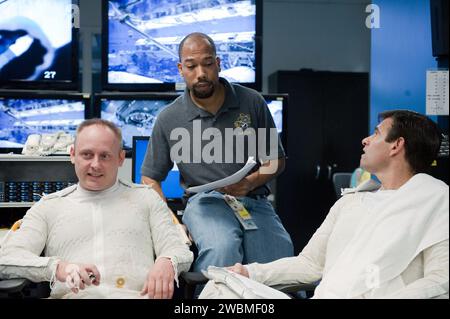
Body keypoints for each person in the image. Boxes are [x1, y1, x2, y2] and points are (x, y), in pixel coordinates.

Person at [200, 110, 449, 299]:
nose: (365, 139)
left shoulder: (434, 200)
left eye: (376, 133)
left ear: (397, 145)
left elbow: (441, 279)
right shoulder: (351, 201)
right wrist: (249, 273)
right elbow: (310, 264)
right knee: (220, 288)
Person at [141, 32, 293, 273]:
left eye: (208, 64)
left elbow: (275, 161)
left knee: (278, 261)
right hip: (205, 203)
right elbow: (150, 178)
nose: (201, 73)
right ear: (181, 69)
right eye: (191, 66)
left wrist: (250, 182)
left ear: (218, 63)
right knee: (222, 249)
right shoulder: (169, 118)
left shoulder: (252, 102)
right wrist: (170, 222)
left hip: (253, 200)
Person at [0, 119, 193, 299]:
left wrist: (168, 260)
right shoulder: (49, 206)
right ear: (73, 155)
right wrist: (56, 268)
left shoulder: (147, 198)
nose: (95, 164)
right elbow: (7, 259)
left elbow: (178, 249)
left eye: (105, 156)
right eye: (87, 154)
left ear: (120, 158)